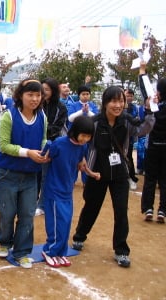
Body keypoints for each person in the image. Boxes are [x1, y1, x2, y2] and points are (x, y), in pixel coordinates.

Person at [71, 86, 155, 268]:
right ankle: (79, 236)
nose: (118, 105)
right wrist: (82, 160)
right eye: (114, 101)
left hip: (119, 173)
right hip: (97, 173)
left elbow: (144, 128)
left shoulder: (126, 121)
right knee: (91, 206)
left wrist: (149, 110)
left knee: (121, 210)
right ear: (105, 103)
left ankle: (121, 250)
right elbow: (80, 141)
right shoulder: (93, 123)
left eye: (121, 101)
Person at [0, 79, 49, 268]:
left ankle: (22, 252)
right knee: (7, 213)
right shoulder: (8, 116)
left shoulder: (42, 116)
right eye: (30, 94)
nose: (34, 99)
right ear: (20, 96)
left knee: (27, 215)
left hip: (31, 176)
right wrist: (28, 153)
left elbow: (43, 139)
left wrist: (44, 152)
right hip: (6, 174)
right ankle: (4, 241)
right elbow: (4, 146)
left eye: (38, 95)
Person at [41, 116, 100, 268]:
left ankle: (61, 251)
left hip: (68, 190)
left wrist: (92, 173)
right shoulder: (59, 143)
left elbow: (81, 164)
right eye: (83, 135)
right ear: (75, 131)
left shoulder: (83, 147)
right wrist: (45, 150)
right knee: (55, 223)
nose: (85, 139)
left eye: (89, 136)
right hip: (54, 189)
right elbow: (46, 158)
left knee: (66, 222)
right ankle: (49, 251)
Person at [35, 78, 68, 216]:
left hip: (51, 145)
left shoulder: (61, 108)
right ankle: (33, 201)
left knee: (45, 176)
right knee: (35, 174)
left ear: (54, 91)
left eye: (46, 90)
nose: (43, 93)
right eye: (42, 89)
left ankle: (42, 205)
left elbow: (56, 128)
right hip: (35, 145)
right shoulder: (37, 105)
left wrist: (42, 134)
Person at [139, 62, 166, 223]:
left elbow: (144, 89)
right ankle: (162, 210)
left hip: (153, 146)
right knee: (164, 180)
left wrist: (142, 70)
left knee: (150, 178)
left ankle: (148, 208)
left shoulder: (155, 106)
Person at [124, 88, 140, 190]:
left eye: (131, 95)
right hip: (118, 137)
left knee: (129, 157)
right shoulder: (119, 106)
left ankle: (131, 178)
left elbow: (137, 124)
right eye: (127, 95)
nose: (129, 97)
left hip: (129, 138)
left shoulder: (136, 108)